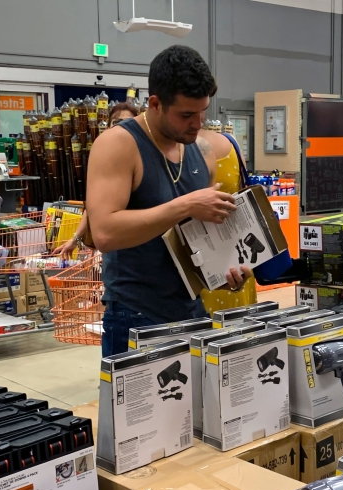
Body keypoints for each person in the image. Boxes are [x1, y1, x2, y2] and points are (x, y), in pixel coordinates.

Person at [86, 45, 250, 356]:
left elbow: (202, 239)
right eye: (187, 114)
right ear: (155, 104)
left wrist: (227, 272)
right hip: (137, 314)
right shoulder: (119, 145)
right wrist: (186, 205)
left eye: (203, 112)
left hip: (193, 311)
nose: (198, 123)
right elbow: (105, 233)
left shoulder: (202, 151)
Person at [54, 102, 139, 258]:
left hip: (136, 247)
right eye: (117, 122)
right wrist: (75, 239)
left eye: (129, 122)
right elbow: (94, 207)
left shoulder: (141, 159)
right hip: (111, 248)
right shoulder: (105, 158)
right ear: (108, 127)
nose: (123, 128)